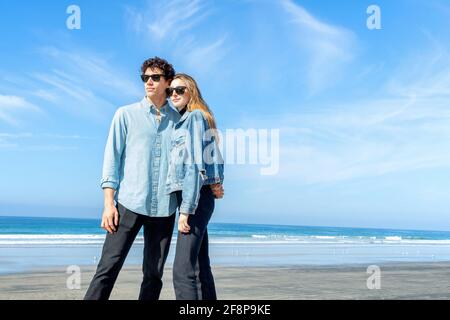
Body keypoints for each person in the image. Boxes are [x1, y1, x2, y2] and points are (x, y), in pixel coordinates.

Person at [84, 57, 223, 300]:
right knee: (107, 268)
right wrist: (108, 203)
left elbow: (203, 151)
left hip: (165, 209)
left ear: (167, 83)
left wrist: (214, 182)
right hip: (129, 203)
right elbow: (111, 160)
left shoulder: (181, 120)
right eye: (145, 78)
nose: (148, 82)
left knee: (153, 275)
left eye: (155, 77)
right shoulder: (125, 114)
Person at [166, 73, 224, 300]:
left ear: (191, 92)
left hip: (194, 199)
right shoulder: (192, 120)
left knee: (183, 270)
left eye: (180, 90)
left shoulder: (195, 117)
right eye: (171, 91)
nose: (174, 94)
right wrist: (216, 181)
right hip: (199, 196)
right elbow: (214, 157)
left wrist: (186, 210)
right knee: (200, 267)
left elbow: (195, 164)